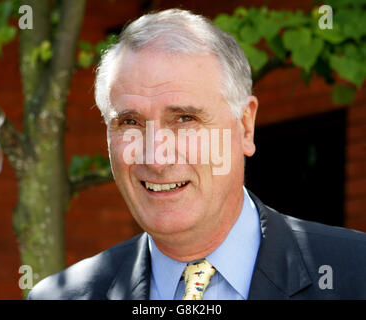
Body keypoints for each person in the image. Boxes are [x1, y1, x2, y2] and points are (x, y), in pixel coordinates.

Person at [28, 9, 366, 300]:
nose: (156, 158)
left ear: (245, 127)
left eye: (184, 119)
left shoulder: (354, 273)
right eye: (130, 122)